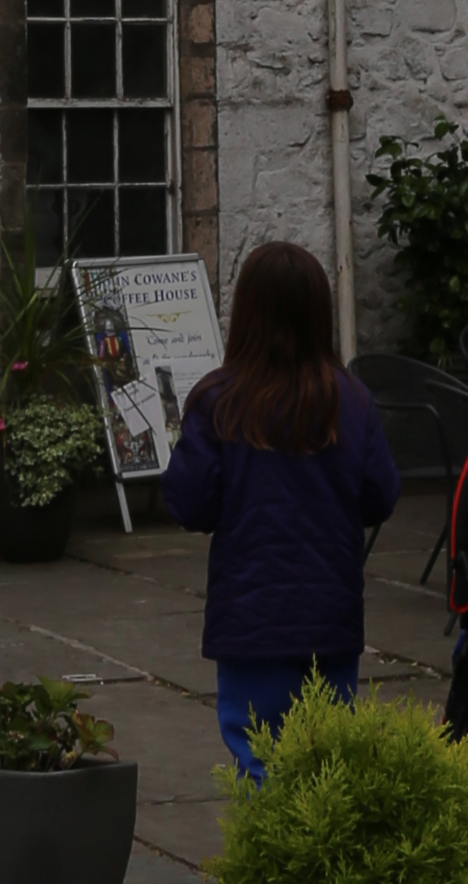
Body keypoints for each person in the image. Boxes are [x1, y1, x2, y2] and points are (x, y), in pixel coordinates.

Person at [160, 236, 400, 780]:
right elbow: (380, 495)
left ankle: (271, 862)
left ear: (245, 314)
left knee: (259, 757)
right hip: (330, 614)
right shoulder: (351, 400)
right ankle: (318, 862)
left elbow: (189, 501)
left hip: (251, 616)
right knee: (326, 761)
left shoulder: (221, 401)